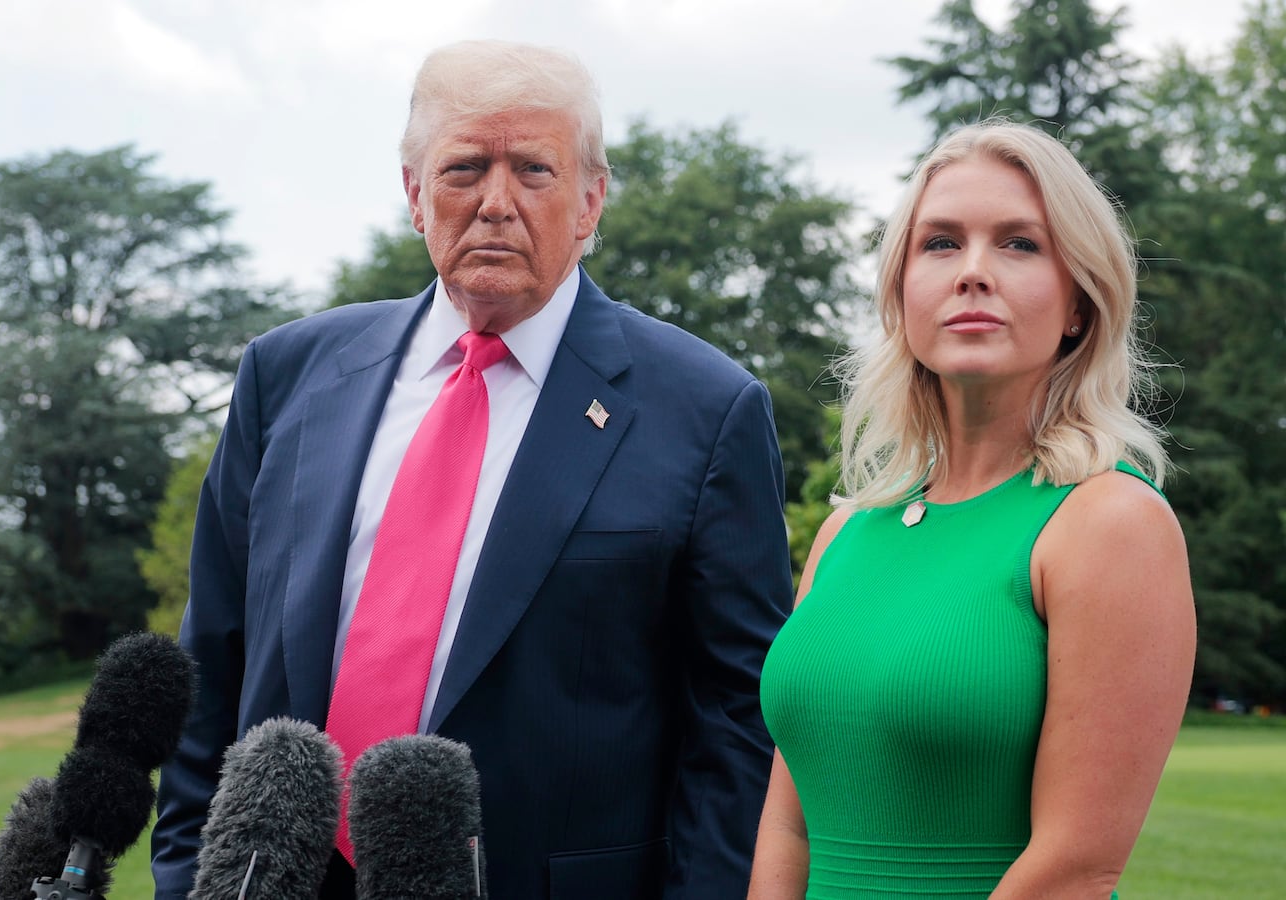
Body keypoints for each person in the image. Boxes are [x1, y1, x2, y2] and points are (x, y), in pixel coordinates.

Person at [152, 40, 793, 900]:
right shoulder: (287, 376)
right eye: (464, 168)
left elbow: (739, 721)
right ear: (416, 194)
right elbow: (210, 664)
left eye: (534, 169)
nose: (497, 203)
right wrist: (187, 881)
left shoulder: (707, 410)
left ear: (591, 199)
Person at [748, 121, 1197, 899]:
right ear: (902, 292)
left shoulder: (1110, 523)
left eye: (1020, 243)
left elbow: (1076, 870)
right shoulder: (845, 533)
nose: (974, 273)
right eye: (941, 243)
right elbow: (789, 825)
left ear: (1079, 306)